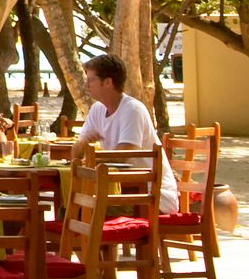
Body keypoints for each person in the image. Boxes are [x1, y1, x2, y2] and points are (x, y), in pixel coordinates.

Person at [73, 53, 177, 215]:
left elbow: (124, 155)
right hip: (122, 191)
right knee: (68, 210)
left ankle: (101, 240)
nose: (86, 85)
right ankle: (99, 241)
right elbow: (76, 154)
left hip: (152, 197)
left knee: (82, 213)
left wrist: (91, 159)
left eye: (91, 80)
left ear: (107, 82)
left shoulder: (132, 110)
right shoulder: (97, 110)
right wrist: (84, 142)